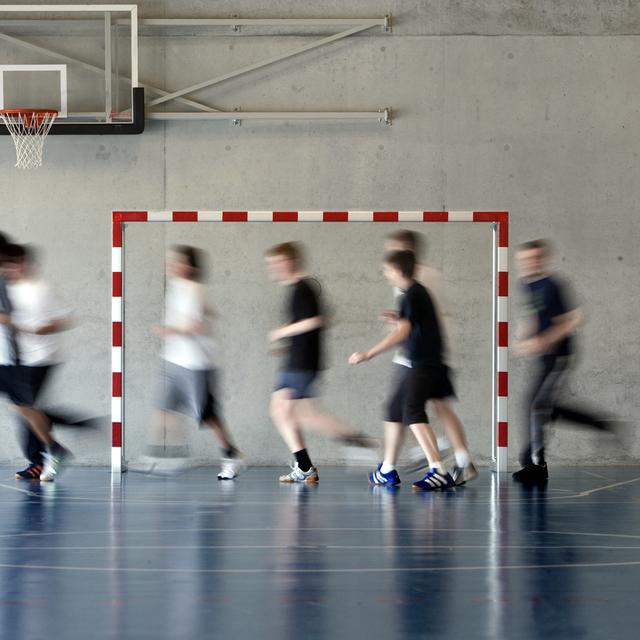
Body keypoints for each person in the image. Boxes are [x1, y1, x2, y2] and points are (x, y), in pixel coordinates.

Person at [266, 241, 373, 484]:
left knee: (303, 415)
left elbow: (316, 321)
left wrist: (281, 333)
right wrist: (286, 339)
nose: (273, 268)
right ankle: (305, 466)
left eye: (276, 263)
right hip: (296, 359)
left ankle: (357, 442)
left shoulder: (303, 287)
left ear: (289, 262)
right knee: (282, 411)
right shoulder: (299, 288)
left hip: (303, 361)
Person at [350, 250, 458, 490]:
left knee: (412, 411)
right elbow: (412, 324)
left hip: (422, 364)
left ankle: (438, 470)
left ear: (398, 270)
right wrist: (398, 318)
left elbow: (403, 332)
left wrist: (369, 353)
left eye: (387, 270)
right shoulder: (417, 293)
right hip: (423, 362)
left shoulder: (410, 295)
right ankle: (387, 470)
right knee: (393, 409)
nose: (386, 275)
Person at [513, 239, 617, 482]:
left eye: (536, 259)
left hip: (560, 355)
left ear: (544, 260)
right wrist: (525, 335)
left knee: (537, 406)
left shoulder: (553, 285)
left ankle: (537, 466)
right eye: (526, 260)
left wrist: (546, 338)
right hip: (542, 356)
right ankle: (600, 424)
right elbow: (534, 315)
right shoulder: (526, 285)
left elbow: (576, 317)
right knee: (542, 407)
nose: (530, 263)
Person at [383, 230, 477, 484]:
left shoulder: (413, 283)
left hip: (418, 353)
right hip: (434, 350)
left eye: (394, 251)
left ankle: (401, 465)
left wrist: (371, 351)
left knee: (402, 408)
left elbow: (413, 322)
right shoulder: (423, 279)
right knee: (438, 405)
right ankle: (460, 459)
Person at [152, 245, 244, 480]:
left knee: (207, 415)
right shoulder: (176, 288)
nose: (172, 265)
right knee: (163, 406)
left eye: (178, 262)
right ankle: (171, 455)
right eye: (172, 261)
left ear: (190, 267)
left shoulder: (193, 289)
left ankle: (231, 454)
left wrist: (169, 330)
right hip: (173, 359)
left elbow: (196, 325)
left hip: (196, 362)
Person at [2, 243, 72, 482]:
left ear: (25, 263)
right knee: (24, 408)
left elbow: (62, 319)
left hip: (39, 357)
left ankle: (48, 453)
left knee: (25, 407)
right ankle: (52, 443)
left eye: (16, 263)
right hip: (13, 359)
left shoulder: (41, 288)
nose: (12, 268)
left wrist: (42, 328)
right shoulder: (7, 288)